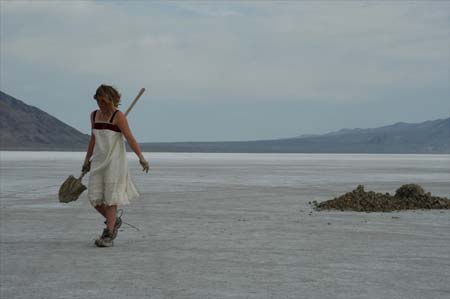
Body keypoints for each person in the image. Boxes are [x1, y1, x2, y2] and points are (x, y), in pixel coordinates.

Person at [82, 84, 149, 247]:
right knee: (94, 198)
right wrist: (86, 160)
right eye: (98, 101)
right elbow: (93, 139)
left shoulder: (119, 117)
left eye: (103, 101)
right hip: (98, 161)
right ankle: (114, 220)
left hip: (114, 163)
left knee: (111, 199)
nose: (101, 105)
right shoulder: (94, 115)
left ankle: (108, 235)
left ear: (111, 100)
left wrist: (141, 157)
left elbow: (130, 138)